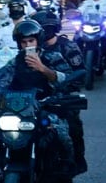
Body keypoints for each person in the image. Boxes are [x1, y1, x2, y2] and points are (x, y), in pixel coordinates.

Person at [0, 20, 80, 173]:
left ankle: (66, 165)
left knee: (62, 135)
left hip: (47, 107)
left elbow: (69, 80)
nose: (28, 45)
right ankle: (2, 157)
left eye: (31, 41)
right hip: (21, 109)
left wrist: (43, 69)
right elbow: (0, 80)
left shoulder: (53, 57)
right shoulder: (15, 61)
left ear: (38, 41)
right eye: (24, 42)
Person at [31, 9, 87, 173]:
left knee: (72, 127)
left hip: (61, 96)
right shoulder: (31, 47)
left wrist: (64, 83)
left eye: (42, 29)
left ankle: (74, 162)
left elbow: (80, 73)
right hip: (33, 97)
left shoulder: (67, 46)